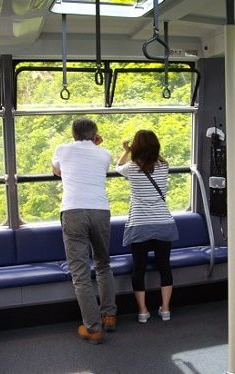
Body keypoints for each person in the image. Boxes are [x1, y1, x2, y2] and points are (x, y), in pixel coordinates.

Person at [52, 118, 117, 344]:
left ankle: (93, 327)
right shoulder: (104, 153)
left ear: (73, 133)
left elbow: (57, 172)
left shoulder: (63, 149)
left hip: (73, 211)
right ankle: (109, 314)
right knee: (103, 263)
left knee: (80, 273)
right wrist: (96, 145)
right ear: (95, 134)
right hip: (100, 210)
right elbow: (98, 166)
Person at [115, 130, 178, 323]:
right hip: (163, 222)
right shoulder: (164, 165)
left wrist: (126, 151)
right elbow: (155, 160)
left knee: (139, 268)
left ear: (136, 147)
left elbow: (118, 167)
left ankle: (142, 311)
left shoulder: (132, 168)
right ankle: (165, 309)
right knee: (164, 266)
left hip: (139, 223)